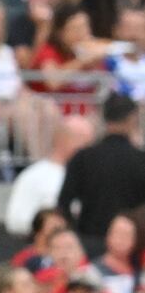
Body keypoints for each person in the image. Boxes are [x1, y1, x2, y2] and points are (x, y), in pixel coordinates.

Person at [57, 93, 145, 248]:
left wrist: (76, 233)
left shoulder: (83, 158)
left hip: (89, 241)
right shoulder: (140, 160)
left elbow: (63, 203)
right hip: (130, 247)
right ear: (132, 119)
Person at [5, 114, 90, 237]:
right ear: (63, 140)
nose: (90, 151)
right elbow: (15, 221)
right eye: (85, 143)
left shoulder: (88, 176)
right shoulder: (34, 176)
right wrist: (50, 226)